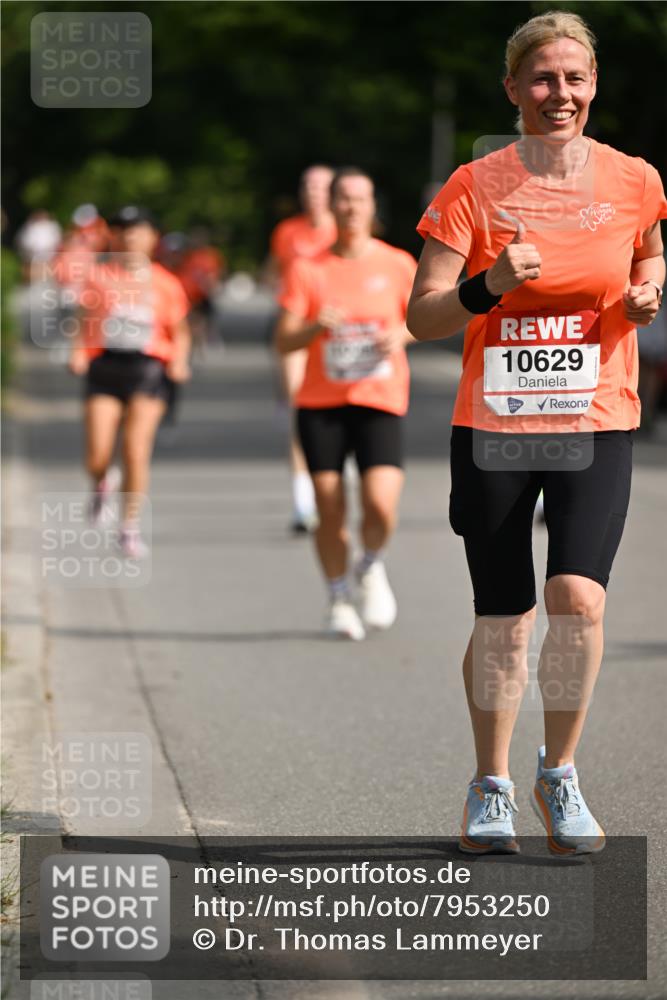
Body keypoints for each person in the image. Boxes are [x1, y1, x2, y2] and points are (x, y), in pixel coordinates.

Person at [407, 11, 666, 854]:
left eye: (575, 79)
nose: (561, 95)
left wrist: (646, 292)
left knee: (577, 598)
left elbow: (648, 255)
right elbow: (422, 318)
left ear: (593, 86)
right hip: (497, 425)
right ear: (514, 88)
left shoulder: (632, 179)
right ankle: (490, 784)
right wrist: (485, 285)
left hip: (597, 413)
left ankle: (558, 773)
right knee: (506, 617)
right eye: (543, 79)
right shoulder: (473, 186)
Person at [275, 168, 416, 640]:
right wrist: (315, 326)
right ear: (330, 207)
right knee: (329, 507)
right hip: (322, 403)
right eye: (344, 199)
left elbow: (427, 317)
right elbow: (283, 340)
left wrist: (402, 333)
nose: (352, 207)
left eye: (361, 199)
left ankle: (370, 563)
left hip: (379, 398)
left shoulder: (396, 264)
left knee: (380, 506)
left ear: (373, 207)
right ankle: (337, 598)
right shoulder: (308, 268)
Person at [68, 206, 191, 557]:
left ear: (153, 237)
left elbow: (180, 331)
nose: (129, 237)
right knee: (97, 454)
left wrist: (180, 361)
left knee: (135, 450)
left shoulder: (166, 283)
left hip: (148, 369)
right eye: (122, 230)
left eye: (137, 230)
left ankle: (129, 526)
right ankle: (102, 482)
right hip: (105, 366)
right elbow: (82, 320)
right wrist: (77, 351)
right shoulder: (98, 276)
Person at [268, 165, 337, 534]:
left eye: (321, 186)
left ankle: (336, 472)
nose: (313, 192)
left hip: (339, 332)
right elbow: (278, 276)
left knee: (340, 407)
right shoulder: (287, 232)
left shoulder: (342, 228)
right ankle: (302, 500)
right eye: (307, 185)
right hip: (298, 329)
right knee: (300, 405)